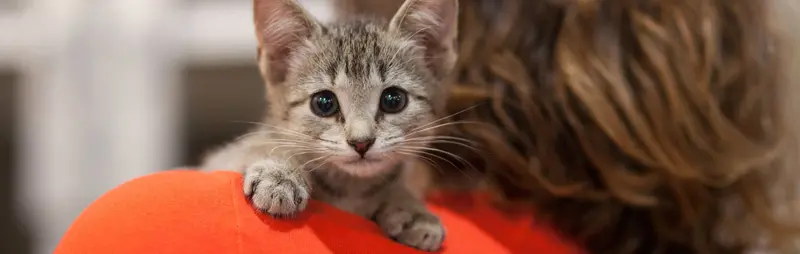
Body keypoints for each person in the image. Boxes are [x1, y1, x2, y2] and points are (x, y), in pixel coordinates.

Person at [57, 0, 800, 253]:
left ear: (447, 54)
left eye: (388, 104)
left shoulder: (172, 231)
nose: (357, 135)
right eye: (326, 105)